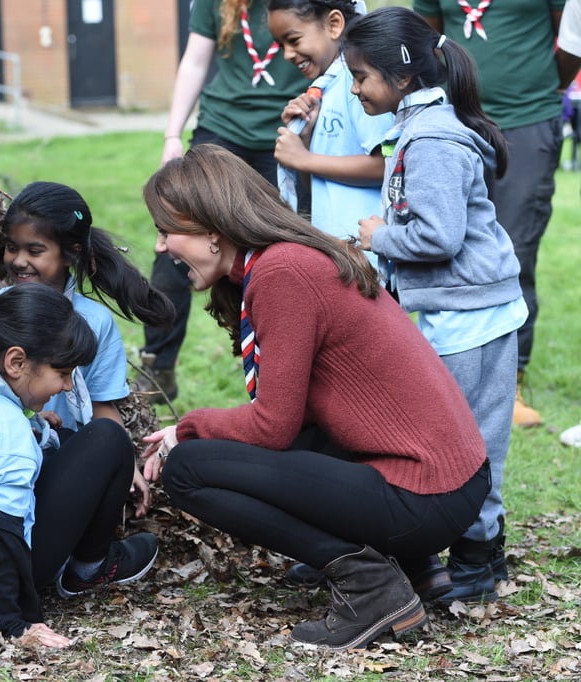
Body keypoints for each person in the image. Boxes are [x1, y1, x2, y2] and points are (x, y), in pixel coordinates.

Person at [139, 144, 490, 650]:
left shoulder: (283, 273)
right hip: (442, 482)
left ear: (210, 229)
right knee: (244, 451)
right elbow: (297, 416)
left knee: (188, 469)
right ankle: (413, 569)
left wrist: (186, 428)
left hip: (426, 493)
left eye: (166, 230)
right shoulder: (281, 263)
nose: (160, 246)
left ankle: (370, 586)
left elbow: (272, 426)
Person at [346, 6, 525, 604]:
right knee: (462, 433)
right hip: (464, 312)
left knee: (471, 440)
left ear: (400, 78)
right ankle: (476, 552)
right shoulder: (421, 130)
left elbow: (439, 237)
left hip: (474, 318)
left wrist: (378, 238)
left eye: (361, 76)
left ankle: (476, 558)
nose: (354, 87)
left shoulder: (433, 140)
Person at [0, 283, 159, 648]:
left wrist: (35, 424)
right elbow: (1, 532)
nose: (65, 386)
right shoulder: (7, 434)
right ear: (16, 362)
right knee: (108, 438)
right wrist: (9, 621)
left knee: (73, 438)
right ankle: (90, 567)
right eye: (63, 372)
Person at [0, 181, 175, 517]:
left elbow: (103, 409)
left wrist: (123, 463)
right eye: (12, 248)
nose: (18, 261)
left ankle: (91, 564)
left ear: (71, 252)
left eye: (35, 251)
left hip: (59, 456)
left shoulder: (95, 322)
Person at [135, 0, 305, 403]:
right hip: (221, 130)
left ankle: (280, 366)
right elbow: (195, 61)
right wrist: (172, 134)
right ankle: (158, 362)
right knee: (174, 240)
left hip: (287, 133)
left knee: (281, 251)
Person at [412, 0, 564, 429]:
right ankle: (446, 371)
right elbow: (430, 39)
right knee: (447, 241)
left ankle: (509, 378)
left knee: (516, 248)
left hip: (528, 118)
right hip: (458, 121)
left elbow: (568, 41)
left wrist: (538, 86)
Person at [267, 0, 392, 265]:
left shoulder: (357, 83)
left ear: (334, 25)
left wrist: (304, 158)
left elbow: (387, 165)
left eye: (293, 39)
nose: (288, 54)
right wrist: (305, 138)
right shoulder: (325, 89)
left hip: (368, 256)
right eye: (281, 45)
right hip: (339, 251)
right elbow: (316, 184)